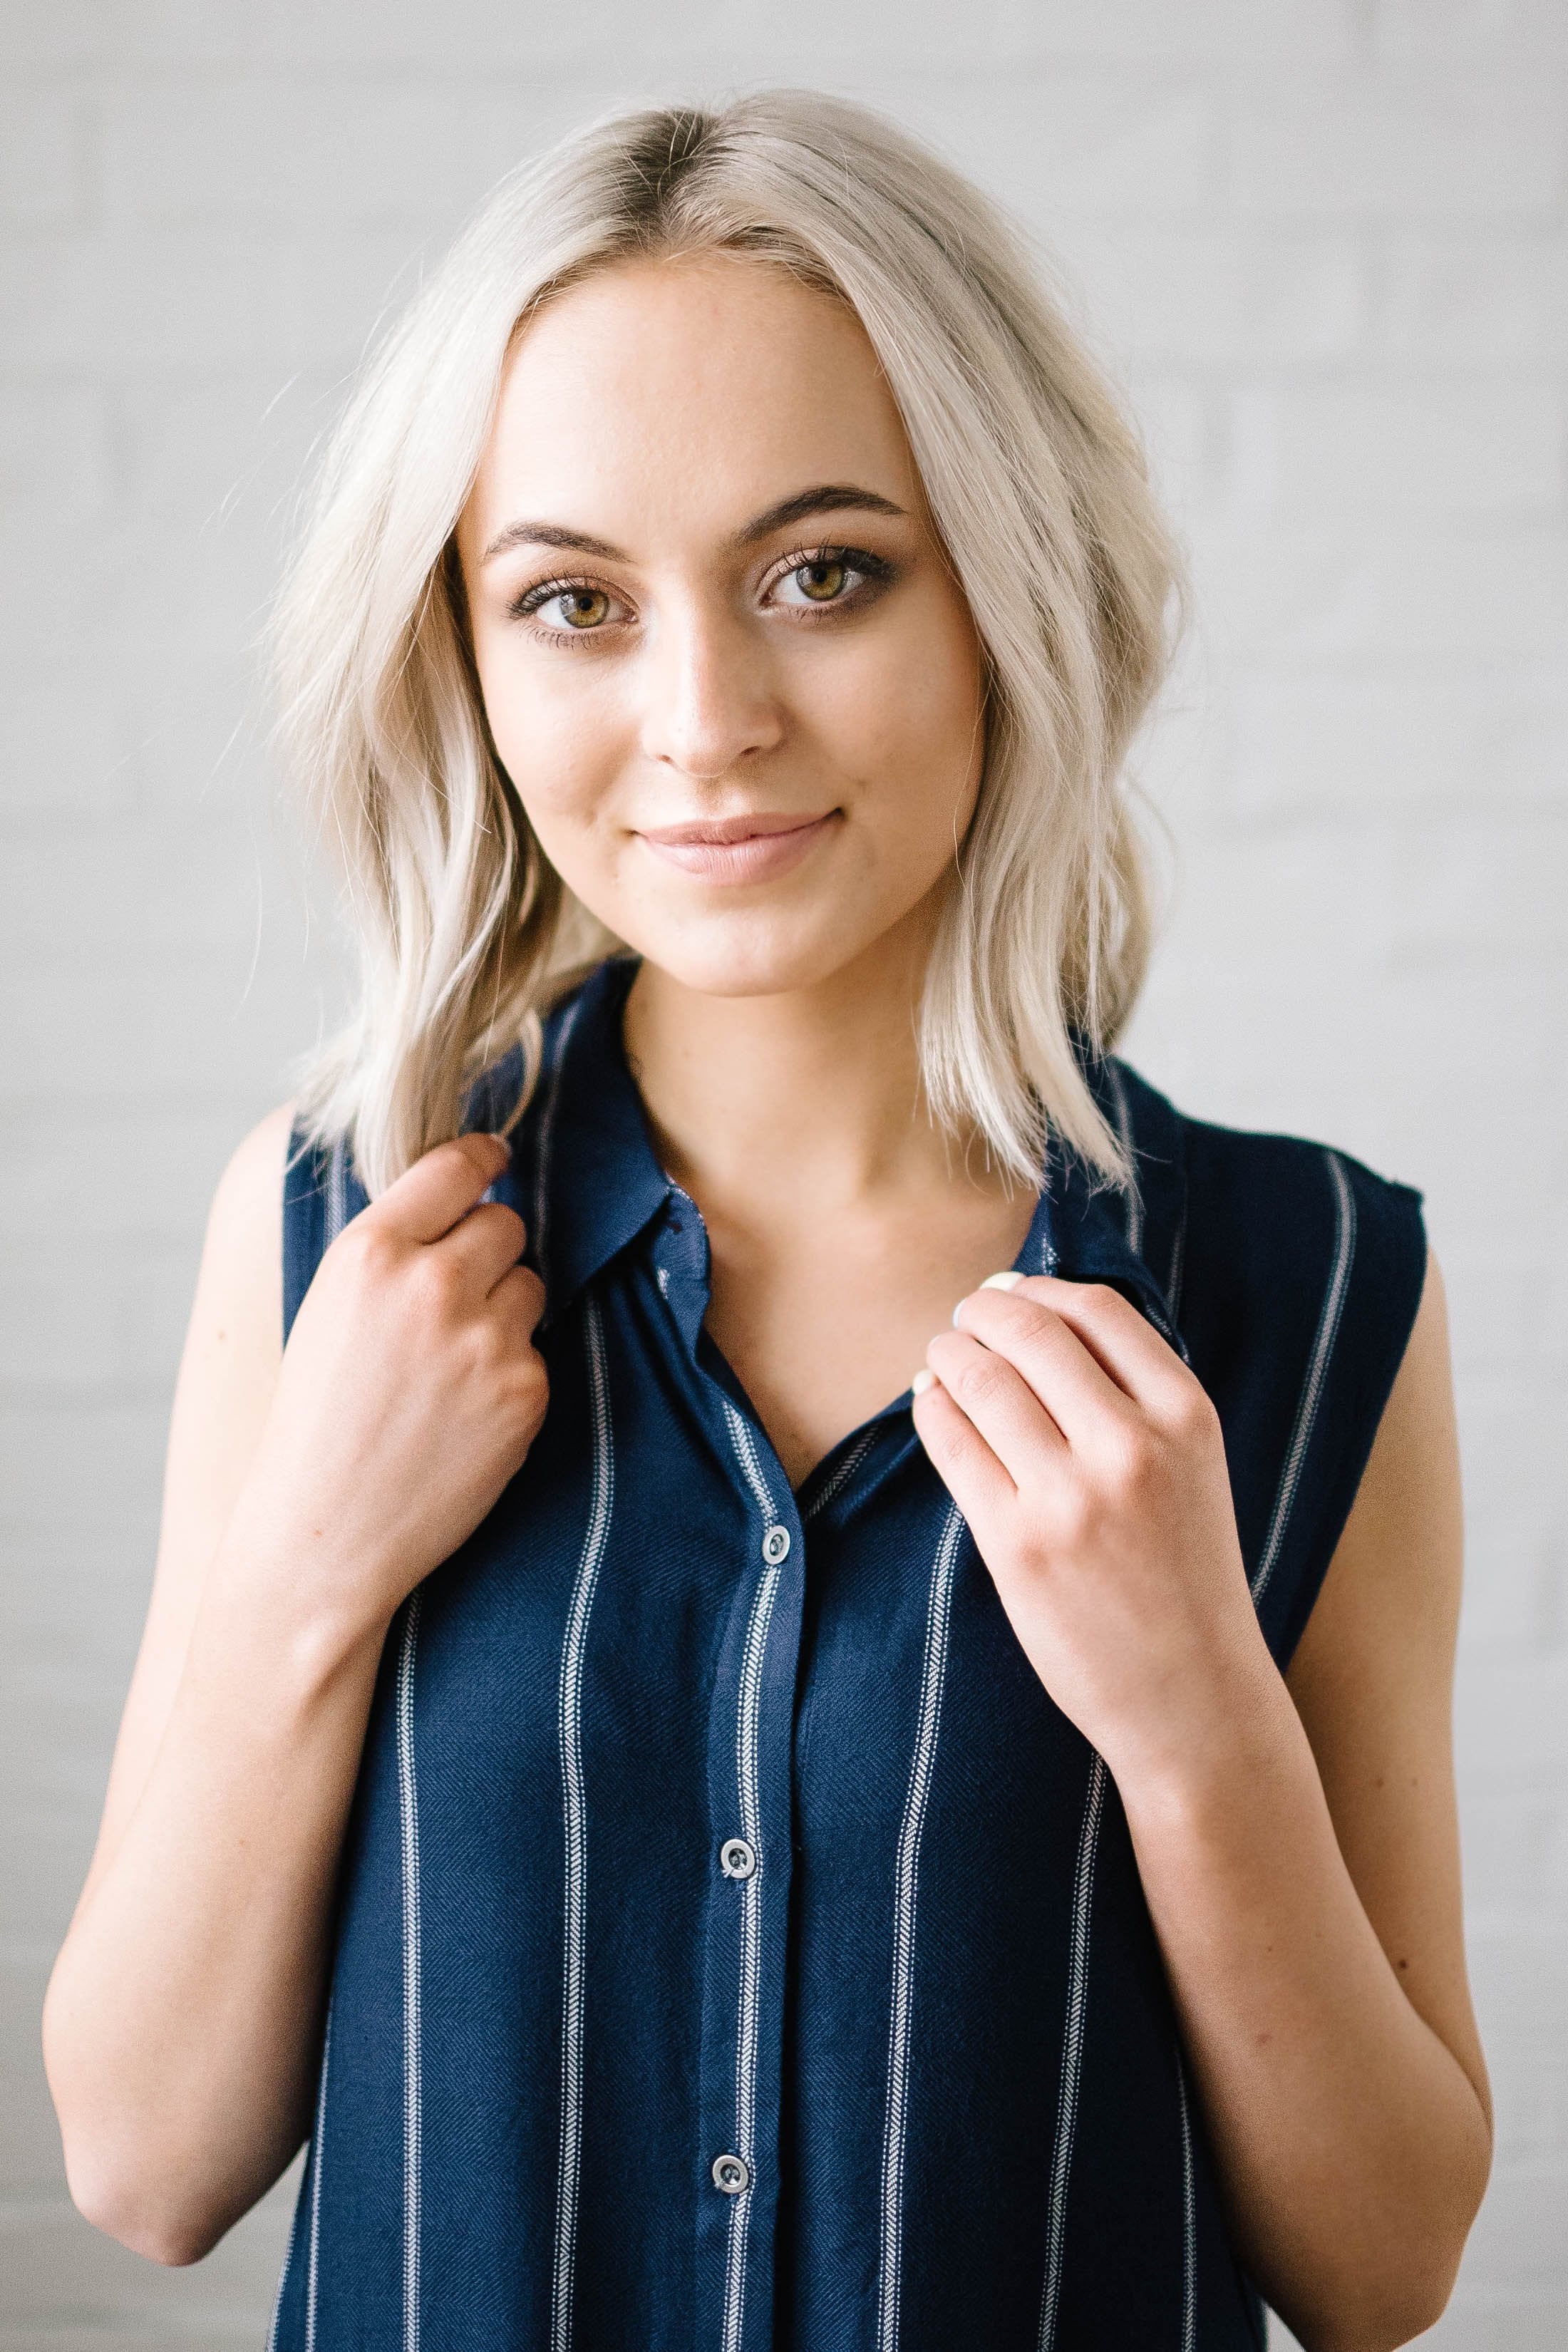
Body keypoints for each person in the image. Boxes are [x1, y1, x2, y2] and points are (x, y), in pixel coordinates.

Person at [43, 91, 1490, 2352]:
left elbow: (1385, 2267)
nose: (703, 721)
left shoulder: (1307, 1294)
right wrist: (306, 1572)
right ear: (472, 653)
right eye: (575, 602)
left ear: (1005, 587)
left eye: (824, 569)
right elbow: (141, 2164)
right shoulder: (336, 1229)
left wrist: (1198, 1718)